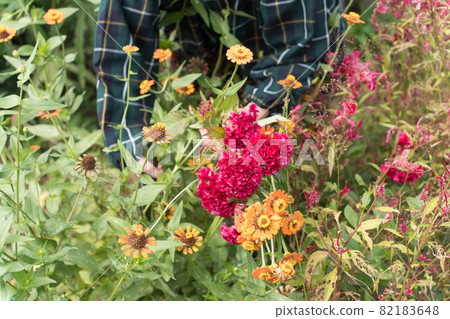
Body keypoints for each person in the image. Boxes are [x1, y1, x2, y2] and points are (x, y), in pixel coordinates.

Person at [93, 0, 340, 176]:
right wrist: (132, 145)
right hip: (206, 44)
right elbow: (122, 36)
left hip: (308, 44)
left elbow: (298, 50)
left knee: (310, 157)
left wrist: (243, 123)